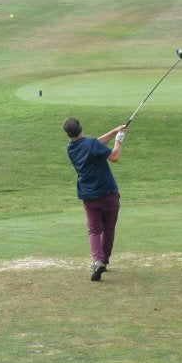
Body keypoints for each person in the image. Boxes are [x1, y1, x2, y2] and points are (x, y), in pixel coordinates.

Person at [63, 117, 127, 281]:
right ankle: (104, 260)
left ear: (68, 134)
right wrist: (119, 140)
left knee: (94, 230)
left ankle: (97, 261)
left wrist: (114, 131)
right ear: (81, 128)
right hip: (108, 193)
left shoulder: (71, 148)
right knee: (108, 228)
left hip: (89, 196)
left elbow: (96, 143)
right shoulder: (91, 145)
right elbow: (114, 156)